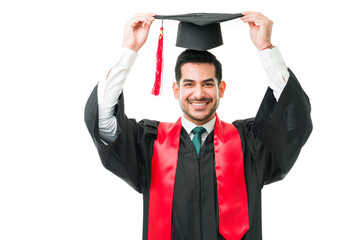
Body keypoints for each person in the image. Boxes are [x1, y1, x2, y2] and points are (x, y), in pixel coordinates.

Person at [84, 12, 312, 240]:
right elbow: (103, 122)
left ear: (221, 88)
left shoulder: (248, 145)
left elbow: (294, 119)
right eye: (190, 84)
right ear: (177, 90)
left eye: (208, 84)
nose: (199, 93)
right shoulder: (150, 144)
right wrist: (128, 51)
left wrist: (266, 49)